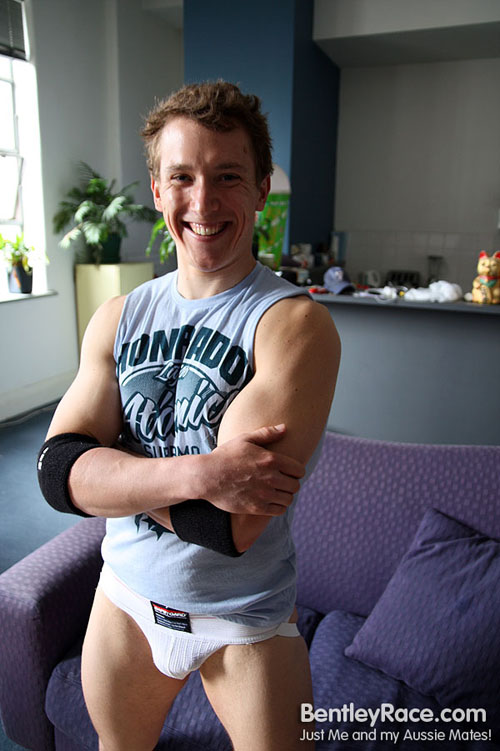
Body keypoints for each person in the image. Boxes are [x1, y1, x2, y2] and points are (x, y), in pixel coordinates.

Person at [38, 81, 340, 751]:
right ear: (156, 190)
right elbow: (57, 473)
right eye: (182, 177)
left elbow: (226, 524)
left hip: (243, 621)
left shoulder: (293, 326)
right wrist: (203, 472)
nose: (202, 203)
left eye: (227, 176)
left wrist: (114, 471)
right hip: (125, 600)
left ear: (261, 189)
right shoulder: (117, 317)